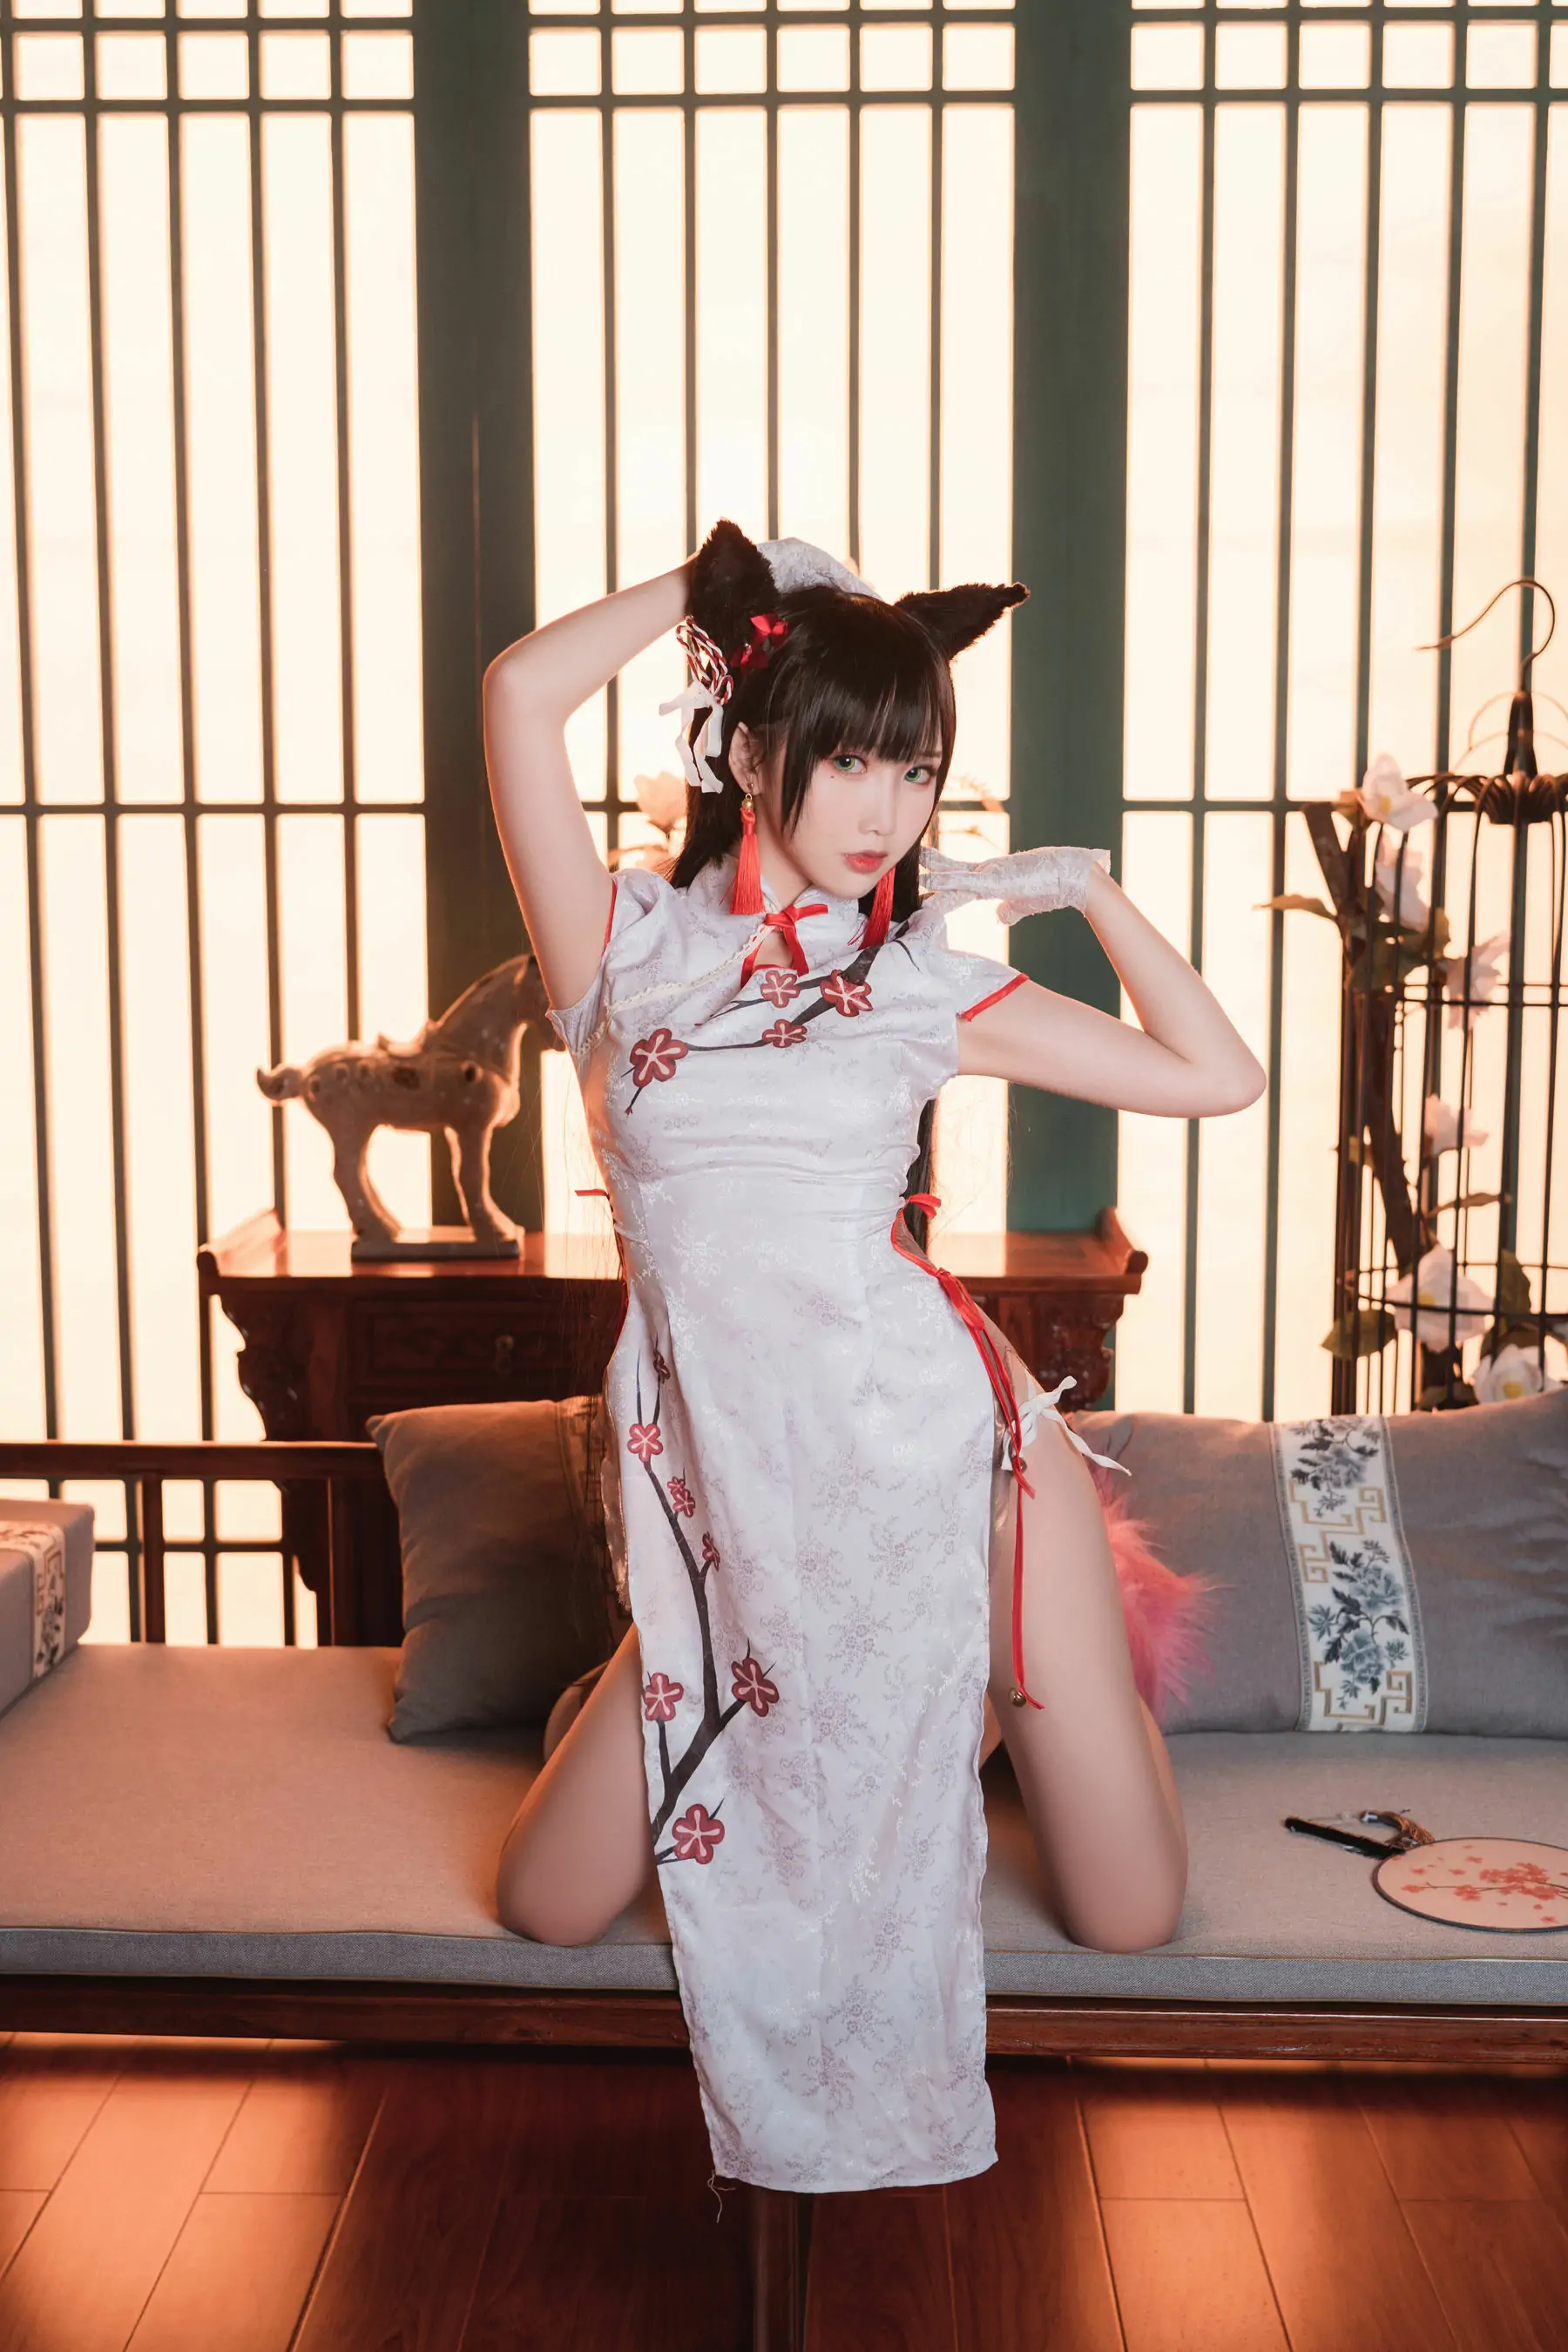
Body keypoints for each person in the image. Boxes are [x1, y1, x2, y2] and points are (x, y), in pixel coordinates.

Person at [483, 522, 1264, 2193]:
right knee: (545, 1900)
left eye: (918, 771)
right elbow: (519, 693)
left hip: (956, 1473)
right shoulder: (619, 952)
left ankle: (939, 1683)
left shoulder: (914, 984)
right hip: (739, 1502)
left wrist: (1085, 893)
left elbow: (1218, 1078)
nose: (889, 811)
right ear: (745, 747)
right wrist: (723, 593)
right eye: (851, 760)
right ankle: (856, 1691)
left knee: (1128, 1913)